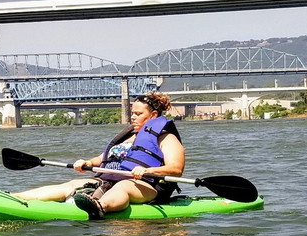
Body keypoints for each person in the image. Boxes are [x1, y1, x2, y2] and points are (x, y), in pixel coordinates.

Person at [13, 92, 184, 220]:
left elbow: (176, 168)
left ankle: (99, 206)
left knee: (123, 186)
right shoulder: (129, 136)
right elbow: (107, 157)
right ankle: (16, 198)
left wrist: (148, 171)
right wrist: (87, 162)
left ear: (153, 115)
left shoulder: (166, 137)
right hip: (111, 179)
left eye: (138, 114)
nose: (132, 117)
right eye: (132, 113)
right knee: (73, 184)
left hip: (147, 186)